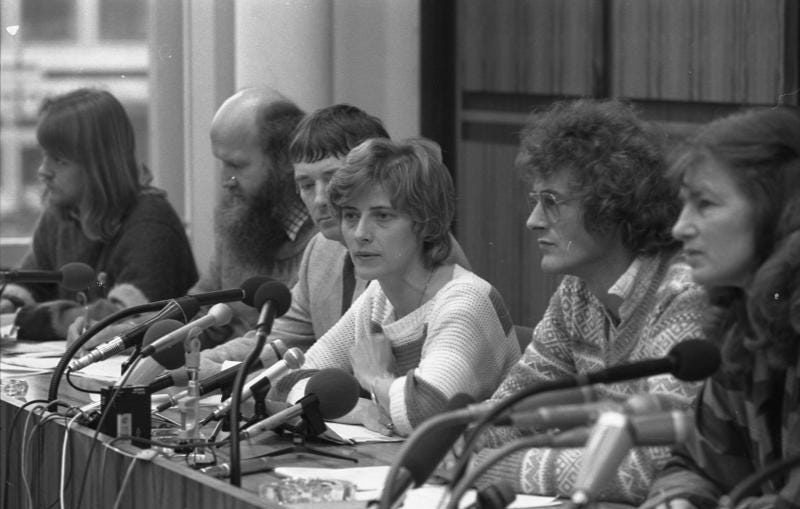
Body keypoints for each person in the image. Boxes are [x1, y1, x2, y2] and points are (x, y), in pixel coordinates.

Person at [472, 99, 708, 504]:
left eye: (552, 201)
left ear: (612, 204)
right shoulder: (577, 291)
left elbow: (651, 464)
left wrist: (497, 466)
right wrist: (463, 438)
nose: (533, 220)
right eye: (535, 200)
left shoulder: (685, 292)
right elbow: (513, 411)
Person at [272, 137, 521, 436]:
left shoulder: (466, 301)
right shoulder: (379, 296)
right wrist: (358, 408)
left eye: (383, 216)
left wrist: (375, 377)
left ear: (426, 224)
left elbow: (424, 414)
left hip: (486, 474)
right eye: (351, 215)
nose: (360, 233)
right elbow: (287, 382)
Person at [197, 104, 471, 374]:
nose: (319, 199)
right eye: (305, 185)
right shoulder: (320, 249)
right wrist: (207, 363)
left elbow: (420, 383)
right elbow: (281, 340)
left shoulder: (416, 249)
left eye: (333, 179)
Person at [639, 106, 800, 509]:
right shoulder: (747, 324)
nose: (680, 228)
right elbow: (696, 462)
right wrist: (678, 501)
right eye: (683, 205)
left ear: (779, 208)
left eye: (705, 204)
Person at [0, 88, 198, 340]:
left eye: (60, 161)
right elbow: (33, 281)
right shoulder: (61, 214)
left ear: (99, 166)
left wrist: (25, 320)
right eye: (45, 156)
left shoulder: (151, 222)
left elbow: (122, 319)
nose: (43, 171)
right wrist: (9, 304)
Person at [191, 87, 314, 349]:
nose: (226, 180)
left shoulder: (326, 240)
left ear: (284, 162)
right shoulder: (241, 221)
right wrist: (128, 336)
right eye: (221, 163)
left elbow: (287, 342)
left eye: (236, 165)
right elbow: (200, 314)